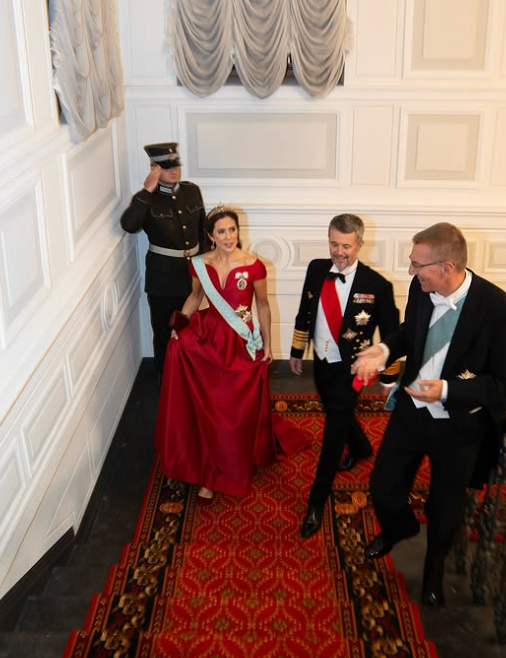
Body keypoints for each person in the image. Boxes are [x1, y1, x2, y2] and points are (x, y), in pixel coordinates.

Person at [352, 222, 506, 607]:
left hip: (459, 425)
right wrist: (384, 350)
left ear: (446, 267)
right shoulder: (422, 288)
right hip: (411, 412)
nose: (410, 271)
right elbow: (409, 331)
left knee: (444, 507)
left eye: (417, 264)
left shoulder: (501, 313)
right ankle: (399, 527)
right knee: (382, 486)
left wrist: (448, 391)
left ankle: (433, 572)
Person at [155, 205, 306, 503]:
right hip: (209, 337)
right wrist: (179, 326)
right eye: (221, 231)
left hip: (240, 342)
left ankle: (232, 461)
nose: (228, 237)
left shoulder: (254, 266)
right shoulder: (200, 264)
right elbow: (195, 297)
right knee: (208, 402)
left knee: (231, 411)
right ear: (211, 235)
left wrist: (267, 343)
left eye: (232, 230)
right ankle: (210, 470)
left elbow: (262, 305)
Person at [289, 213, 400, 539]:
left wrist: (388, 378)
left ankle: (316, 501)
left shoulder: (377, 285)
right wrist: (297, 350)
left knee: (333, 434)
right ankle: (362, 448)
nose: (339, 252)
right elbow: (304, 311)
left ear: (360, 245)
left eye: (346, 246)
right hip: (322, 361)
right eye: (334, 244)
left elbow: (393, 335)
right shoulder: (316, 269)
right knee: (335, 410)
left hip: (351, 369)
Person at [120, 142, 205, 378]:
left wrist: (204, 269)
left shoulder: (192, 191)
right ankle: (167, 382)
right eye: (166, 167)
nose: (174, 170)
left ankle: (191, 379)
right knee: (165, 334)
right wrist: (146, 191)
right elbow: (129, 225)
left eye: (175, 165)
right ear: (154, 169)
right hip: (163, 281)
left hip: (193, 277)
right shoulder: (146, 199)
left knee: (192, 330)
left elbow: (202, 231)